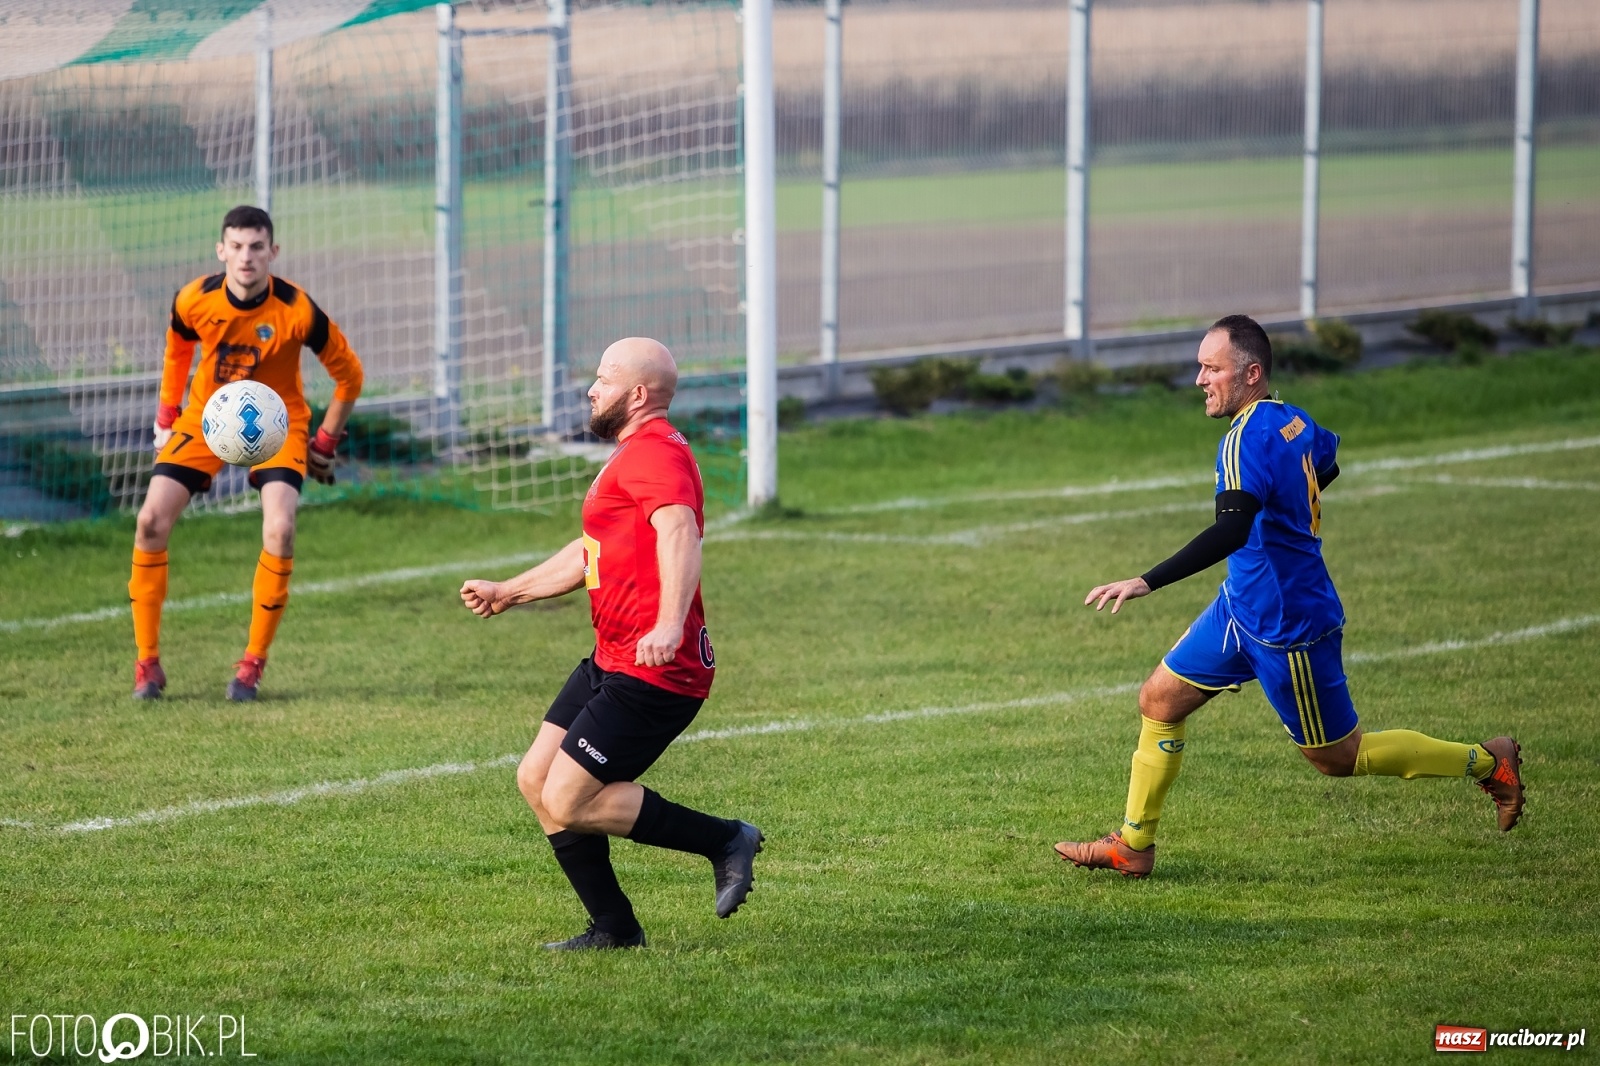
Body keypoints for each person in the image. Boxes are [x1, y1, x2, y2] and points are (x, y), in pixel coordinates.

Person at [1054, 314, 1524, 879]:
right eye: (1200, 367)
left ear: (1250, 373)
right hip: (1240, 606)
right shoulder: (1291, 419)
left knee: (1338, 758)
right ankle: (1133, 845)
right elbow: (1327, 463)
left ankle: (1487, 762)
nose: (1200, 380)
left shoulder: (1243, 440)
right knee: (1159, 699)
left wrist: (1145, 580)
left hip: (1287, 624)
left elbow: (1231, 529)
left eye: (1211, 369)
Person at [460, 337, 762, 950]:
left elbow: (679, 532)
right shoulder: (635, 452)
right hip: (612, 656)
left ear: (638, 394)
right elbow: (591, 551)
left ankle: (726, 839)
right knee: (536, 779)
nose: (592, 390)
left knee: (569, 799)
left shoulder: (655, 455)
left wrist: (669, 624)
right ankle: (615, 928)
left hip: (656, 669)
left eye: (603, 379)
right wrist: (509, 591)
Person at [129, 205, 363, 702]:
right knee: (149, 521)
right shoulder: (194, 299)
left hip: (280, 423)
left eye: (256, 246)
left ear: (272, 252)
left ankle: (252, 664)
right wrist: (167, 416)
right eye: (236, 246)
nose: (246, 257)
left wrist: (324, 442)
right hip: (206, 417)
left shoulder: (297, 310)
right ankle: (147, 665)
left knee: (280, 528)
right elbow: (178, 350)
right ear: (221, 250)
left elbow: (350, 374)